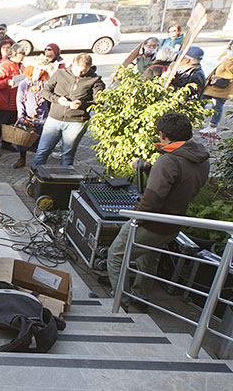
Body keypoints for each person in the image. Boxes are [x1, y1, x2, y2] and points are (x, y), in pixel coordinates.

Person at [107, 112, 209, 312]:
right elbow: (179, 181)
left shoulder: (169, 161)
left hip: (152, 223)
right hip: (173, 224)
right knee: (148, 259)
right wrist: (149, 169)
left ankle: (121, 301)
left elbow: (152, 200)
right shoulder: (201, 157)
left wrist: (136, 215)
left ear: (162, 135)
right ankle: (140, 297)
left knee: (116, 255)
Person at [33, 53, 105, 166]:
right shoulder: (60, 73)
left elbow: (99, 102)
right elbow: (46, 91)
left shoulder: (95, 80)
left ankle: (64, 181)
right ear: (73, 64)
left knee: (67, 155)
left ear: (89, 68)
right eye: (76, 69)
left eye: (83, 71)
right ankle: (33, 180)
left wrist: (82, 104)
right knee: (42, 151)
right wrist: (58, 100)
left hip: (76, 122)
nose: (79, 73)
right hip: (54, 118)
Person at [0, 43, 26, 158]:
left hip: (15, 102)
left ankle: (6, 143)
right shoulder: (3, 66)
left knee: (10, 126)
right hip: (4, 102)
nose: (24, 55)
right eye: (22, 53)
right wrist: (6, 82)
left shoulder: (21, 66)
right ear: (15, 54)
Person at [12, 57, 50, 169]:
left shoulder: (45, 84)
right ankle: (22, 158)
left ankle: (38, 162)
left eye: (41, 70)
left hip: (41, 117)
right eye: (36, 69)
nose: (38, 72)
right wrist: (21, 115)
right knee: (23, 139)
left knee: (40, 139)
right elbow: (19, 100)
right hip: (27, 116)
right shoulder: (25, 83)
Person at [200, 41, 233, 134]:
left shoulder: (230, 58)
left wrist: (229, 59)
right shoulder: (226, 53)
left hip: (224, 86)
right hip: (213, 84)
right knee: (202, 100)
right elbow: (217, 61)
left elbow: (230, 71)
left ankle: (212, 126)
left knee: (217, 106)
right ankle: (197, 119)